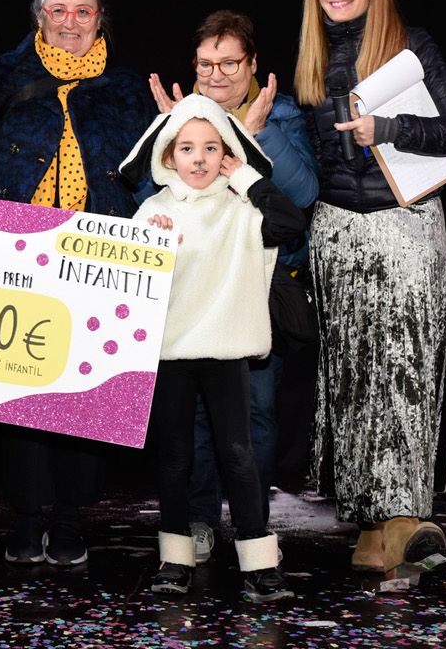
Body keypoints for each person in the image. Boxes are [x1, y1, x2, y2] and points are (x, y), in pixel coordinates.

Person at [293, 0, 446, 573]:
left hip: (406, 227)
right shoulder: (309, 62)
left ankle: (404, 515)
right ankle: (376, 526)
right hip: (339, 234)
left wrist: (390, 130)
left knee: (402, 374)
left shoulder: (410, 45)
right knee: (354, 380)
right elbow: (308, 161)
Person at [0, 0, 153, 565]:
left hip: (101, 258)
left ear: (100, 17)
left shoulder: (128, 88)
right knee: (21, 398)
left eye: (83, 11)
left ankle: (72, 520)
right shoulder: (1, 76)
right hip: (18, 254)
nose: (71, 22)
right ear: (38, 16)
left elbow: (149, 173)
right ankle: (27, 520)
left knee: (86, 397)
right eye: (59, 11)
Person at [148, 11, 319, 561]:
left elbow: (302, 194)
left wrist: (257, 137)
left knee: (254, 418)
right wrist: (175, 133)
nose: (217, 73)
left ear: (251, 66)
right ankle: (197, 520)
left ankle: (252, 523)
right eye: (206, 63)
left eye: (229, 62)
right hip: (188, 305)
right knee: (188, 428)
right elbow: (148, 211)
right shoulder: (180, 130)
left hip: (255, 289)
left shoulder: (282, 114)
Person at [121, 95, 303, 601]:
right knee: (175, 457)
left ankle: (259, 565)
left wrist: (247, 178)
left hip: (225, 351)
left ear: (227, 153)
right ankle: (175, 561)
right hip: (170, 352)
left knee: (238, 455)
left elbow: (290, 224)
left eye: (210, 147)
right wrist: (144, 248)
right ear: (167, 156)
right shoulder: (151, 210)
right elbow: (123, 286)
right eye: (186, 148)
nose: (198, 158)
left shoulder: (241, 209)